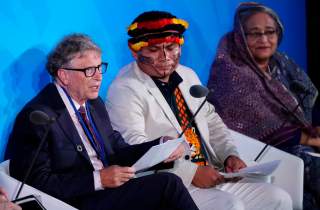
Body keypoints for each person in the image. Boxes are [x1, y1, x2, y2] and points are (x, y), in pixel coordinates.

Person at [106, 10, 292, 210]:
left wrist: (229, 155)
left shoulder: (187, 75)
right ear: (135, 51)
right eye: (153, 50)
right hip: (171, 182)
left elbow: (211, 119)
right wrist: (191, 173)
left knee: (279, 198)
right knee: (231, 206)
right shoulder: (124, 89)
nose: (165, 57)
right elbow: (137, 150)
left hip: (213, 171)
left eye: (171, 47)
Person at [5, 33, 199, 210]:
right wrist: (98, 179)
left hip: (109, 191)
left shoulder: (94, 103)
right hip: (75, 200)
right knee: (168, 185)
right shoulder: (37, 117)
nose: (99, 77)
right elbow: (34, 183)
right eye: (89, 70)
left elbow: (117, 149)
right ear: (64, 75)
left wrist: (159, 146)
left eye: (99, 68)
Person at [206, 2, 319, 209]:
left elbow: (306, 100)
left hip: (297, 145)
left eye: (270, 32)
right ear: (240, 36)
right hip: (256, 153)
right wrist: (311, 139)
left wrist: (312, 133)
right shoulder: (230, 71)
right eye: (255, 34)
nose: (264, 40)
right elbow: (257, 128)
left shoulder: (280, 63)